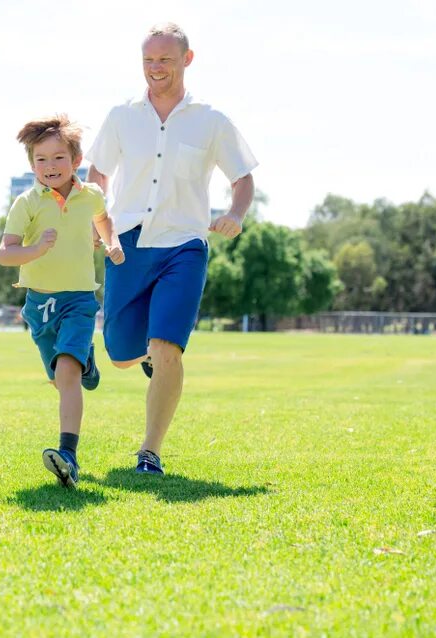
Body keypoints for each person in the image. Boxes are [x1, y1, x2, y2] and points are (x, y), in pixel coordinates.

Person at [86, 22, 258, 475]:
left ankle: (150, 451)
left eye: (164, 59)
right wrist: (95, 217)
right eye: (148, 60)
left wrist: (235, 215)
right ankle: (145, 358)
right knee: (121, 353)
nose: (155, 68)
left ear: (187, 59)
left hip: (184, 243)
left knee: (168, 349)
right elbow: (97, 175)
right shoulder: (121, 117)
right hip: (127, 242)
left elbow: (242, 178)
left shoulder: (211, 120)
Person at [0, 115, 125, 488]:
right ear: (31, 164)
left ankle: (68, 454)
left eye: (58, 158)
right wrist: (35, 248)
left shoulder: (91, 196)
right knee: (59, 379)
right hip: (39, 306)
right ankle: (87, 362)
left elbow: (104, 220)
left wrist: (111, 242)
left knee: (67, 374)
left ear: (76, 159)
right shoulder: (27, 203)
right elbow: (5, 254)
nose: (49, 167)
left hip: (80, 299)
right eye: (40, 160)